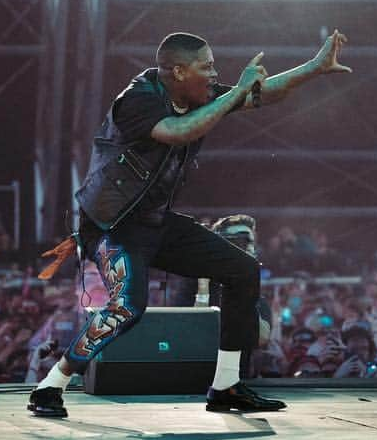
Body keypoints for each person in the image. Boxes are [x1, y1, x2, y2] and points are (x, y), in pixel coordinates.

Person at [26, 30, 350, 417]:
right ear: (178, 71)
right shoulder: (136, 100)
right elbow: (179, 132)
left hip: (155, 223)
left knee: (242, 270)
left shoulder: (199, 95)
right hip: (114, 227)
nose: (215, 74)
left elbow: (265, 91)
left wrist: (314, 68)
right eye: (206, 66)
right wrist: (234, 94)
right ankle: (51, 385)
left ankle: (226, 387)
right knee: (128, 306)